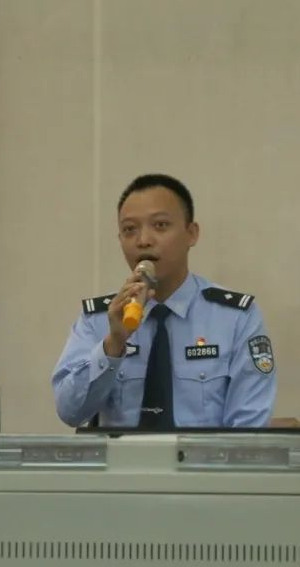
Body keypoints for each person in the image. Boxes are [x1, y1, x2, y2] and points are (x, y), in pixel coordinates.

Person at [51, 174, 276, 429]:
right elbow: (69, 412)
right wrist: (113, 343)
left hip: (203, 456)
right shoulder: (100, 319)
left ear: (191, 234)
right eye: (129, 229)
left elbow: (248, 429)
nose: (143, 240)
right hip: (122, 456)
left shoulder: (236, 317)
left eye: (160, 225)